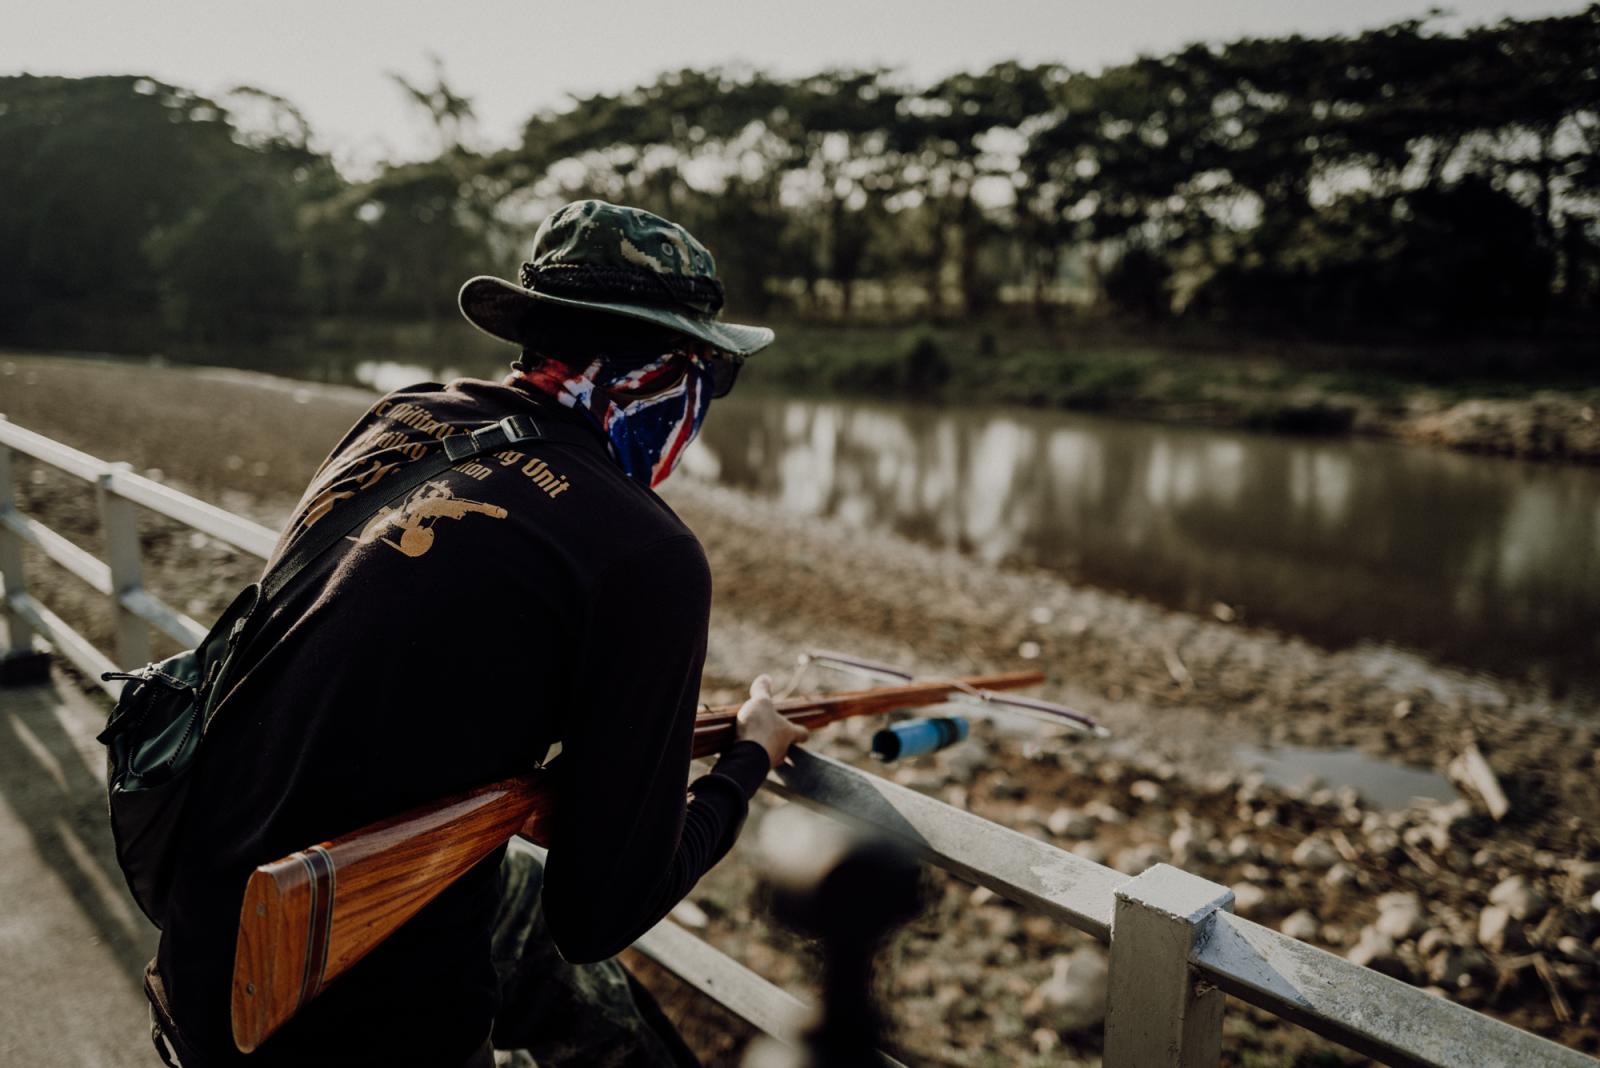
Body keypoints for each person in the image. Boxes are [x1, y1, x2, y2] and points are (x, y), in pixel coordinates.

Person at [146, 199, 809, 1067]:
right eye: (713, 375)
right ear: (669, 371)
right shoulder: (646, 551)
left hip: (196, 950)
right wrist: (748, 758)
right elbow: (600, 913)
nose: (707, 398)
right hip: (351, 1029)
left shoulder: (403, 417)